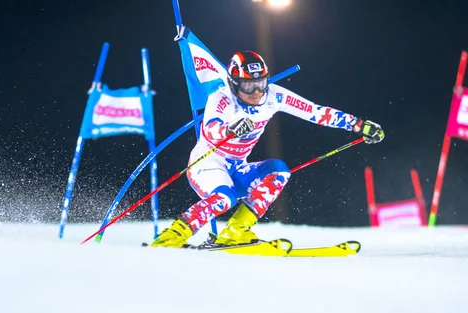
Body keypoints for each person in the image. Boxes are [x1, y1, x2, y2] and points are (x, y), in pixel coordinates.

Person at [151, 50, 385, 248]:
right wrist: (230, 130)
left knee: (279, 171)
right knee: (225, 198)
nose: (256, 92)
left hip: (237, 167)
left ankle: (236, 230)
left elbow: (316, 112)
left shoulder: (274, 96)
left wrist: (358, 125)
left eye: (260, 83)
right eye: (248, 86)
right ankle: (173, 235)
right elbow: (212, 128)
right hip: (208, 163)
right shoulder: (221, 99)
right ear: (234, 83)